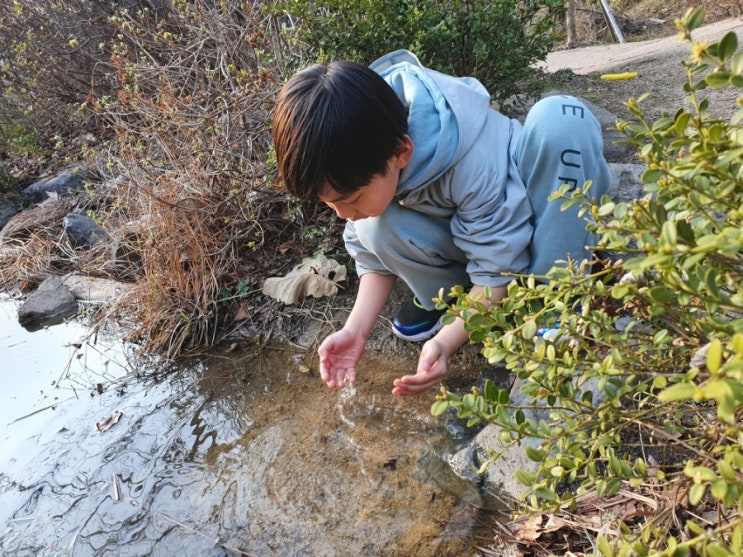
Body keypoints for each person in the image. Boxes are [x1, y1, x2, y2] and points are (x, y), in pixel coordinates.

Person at [272, 50, 610, 396]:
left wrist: (447, 341)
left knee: (561, 119)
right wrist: (355, 331)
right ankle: (453, 299)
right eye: (329, 204)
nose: (341, 213)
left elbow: (498, 269)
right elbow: (371, 259)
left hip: (533, 220)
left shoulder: (469, 160)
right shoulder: (368, 140)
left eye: (351, 199)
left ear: (403, 152)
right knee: (371, 225)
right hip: (483, 240)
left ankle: (553, 298)